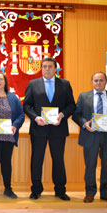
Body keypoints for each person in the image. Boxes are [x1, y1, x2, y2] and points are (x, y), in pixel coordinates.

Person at [23, 57, 76, 201]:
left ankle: (60, 190)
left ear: (55, 69)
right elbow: (27, 105)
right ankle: (36, 190)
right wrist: (35, 118)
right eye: (44, 66)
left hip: (58, 129)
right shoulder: (33, 84)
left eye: (50, 66)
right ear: (41, 68)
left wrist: (62, 115)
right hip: (38, 128)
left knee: (58, 159)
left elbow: (72, 105)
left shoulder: (65, 84)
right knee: (37, 159)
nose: (47, 69)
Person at [72, 72, 107, 203]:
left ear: (105, 82)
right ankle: (90, 193)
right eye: (95, 80)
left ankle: (106, 193)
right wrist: (84, 123)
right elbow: (76, 114)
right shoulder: (84, 97)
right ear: (92, 82)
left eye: (101, 80)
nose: (98, 83)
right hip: (91, 135)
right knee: (90, 165)